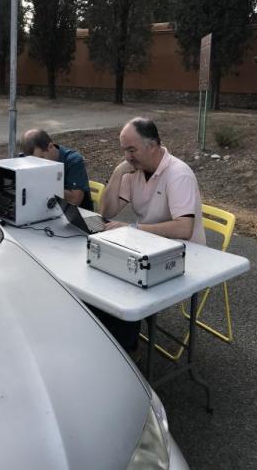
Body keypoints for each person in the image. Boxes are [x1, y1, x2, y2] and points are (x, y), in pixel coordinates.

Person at [95, 117, 205, 359]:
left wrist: (133, 229)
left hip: (186, 255)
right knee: (106, 273)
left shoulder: (178, 174)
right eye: (124, 150)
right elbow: (107, 211)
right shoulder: (133, 170)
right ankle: (113, 339)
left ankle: (126, 350)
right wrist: (117, 173)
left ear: (152, 146)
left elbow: (184, 228)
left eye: (131, 150)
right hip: (150, 246)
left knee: (123, 282)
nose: (127, 157)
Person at [19, 129, 93, 211]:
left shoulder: (73, 160)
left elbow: (75, 200)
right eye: (33, 161)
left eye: (40, 159)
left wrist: (44, 185)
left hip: (77, 214)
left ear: (50, 147)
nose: (37, 165)